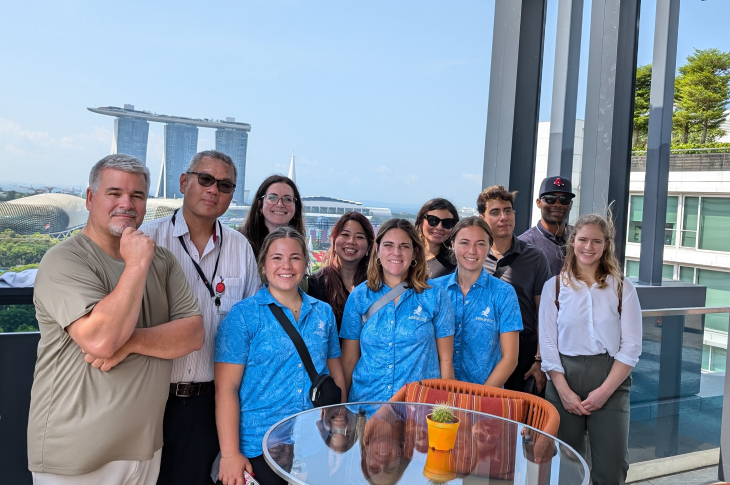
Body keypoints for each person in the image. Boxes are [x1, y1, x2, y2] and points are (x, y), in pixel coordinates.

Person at [28, 154, 204, 485]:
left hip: (144, 450)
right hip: (76, 454)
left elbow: (193, 335)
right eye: (114, 193)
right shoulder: (64, 260)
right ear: (91, 198)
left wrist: (132, 342)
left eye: (137, 196)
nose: (127, 203)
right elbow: (102, 340)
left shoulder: (161, 260)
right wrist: (136, 265)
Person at [139, 150, 261, 485]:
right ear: (184, 182)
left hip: (211, 403)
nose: (213, 190)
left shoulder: (240, 248)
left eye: (224, 185)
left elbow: (255, 327)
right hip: (150, 396)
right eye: (205, 179)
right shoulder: (147, 240)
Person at [214, 227, 347, 485]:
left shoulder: (323, 313)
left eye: (295, 257)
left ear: (306, 263)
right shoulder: (243, 316)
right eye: (276, 257)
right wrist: (230, 454)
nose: (286, 265)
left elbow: (336, 376)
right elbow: (226, 389)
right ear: (263, 265)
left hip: (313, 442)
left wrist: (338, 434)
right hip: (259, 445)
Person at [540, 212, 642, 484]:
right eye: (583, 239)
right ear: (572, 242)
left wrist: (604, 392)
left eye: (596, 241)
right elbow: (548, 344)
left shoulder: (622, 288)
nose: (588, 247)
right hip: (564, 378)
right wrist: (563, 391)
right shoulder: (555, 288)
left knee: (612, 466)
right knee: (565, 466)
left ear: (606, 245)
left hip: (610, 378)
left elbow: (631, 345)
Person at [340, 218, 455, 403]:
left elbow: (446, 362)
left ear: (415, 252)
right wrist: (341, 407)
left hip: (417, 410)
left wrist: (446, 410)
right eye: (388, 245)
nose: (396, 252)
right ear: (377, 250)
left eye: (404, 246)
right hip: (366, 407)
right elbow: (348, 360)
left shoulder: (435, 295)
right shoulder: (360, 296)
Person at [477, 186, 551, 394]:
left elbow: (543, 313)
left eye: (508, 211)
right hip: (483, 349)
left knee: (520, 421)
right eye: (495, 212)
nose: (504, 217)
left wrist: (539, 360)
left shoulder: (535, 257)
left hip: (523, 351)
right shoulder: (472, 256)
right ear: (482, 218)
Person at [432, 217, 522, 387]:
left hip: (485, 398)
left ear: (489, 247)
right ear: (452, 244)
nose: (472, 250)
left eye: (480, 244)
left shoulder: (503, 293)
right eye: (464, 242)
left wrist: (479, 399)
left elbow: (510, 359)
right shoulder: (433, 290)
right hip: (437, 395)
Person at [307, 212, 375, 330]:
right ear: (333, 240)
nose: (351, 241)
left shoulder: (376, 284)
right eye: (345, 235)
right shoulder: (316, 284)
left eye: (359, 237)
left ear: (369, 246)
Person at [519, 176, 575, 276]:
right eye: (550, 199)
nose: (558, 204)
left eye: (564, 199)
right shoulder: (525, 244)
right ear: (539, 202)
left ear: (571, 204)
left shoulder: (580, 238)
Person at [240, 175, 306, 258]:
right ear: (260, 205)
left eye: (288, 199)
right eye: (272, 197)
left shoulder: (300, 246)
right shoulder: (239, 243)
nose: (280, 204)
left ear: (296, 208)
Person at [415, 198, 459, 278]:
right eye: (433, 220)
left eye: (447, 223)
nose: (439, 227)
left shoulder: (455, 264)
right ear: (421, 221)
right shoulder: (405, 254)